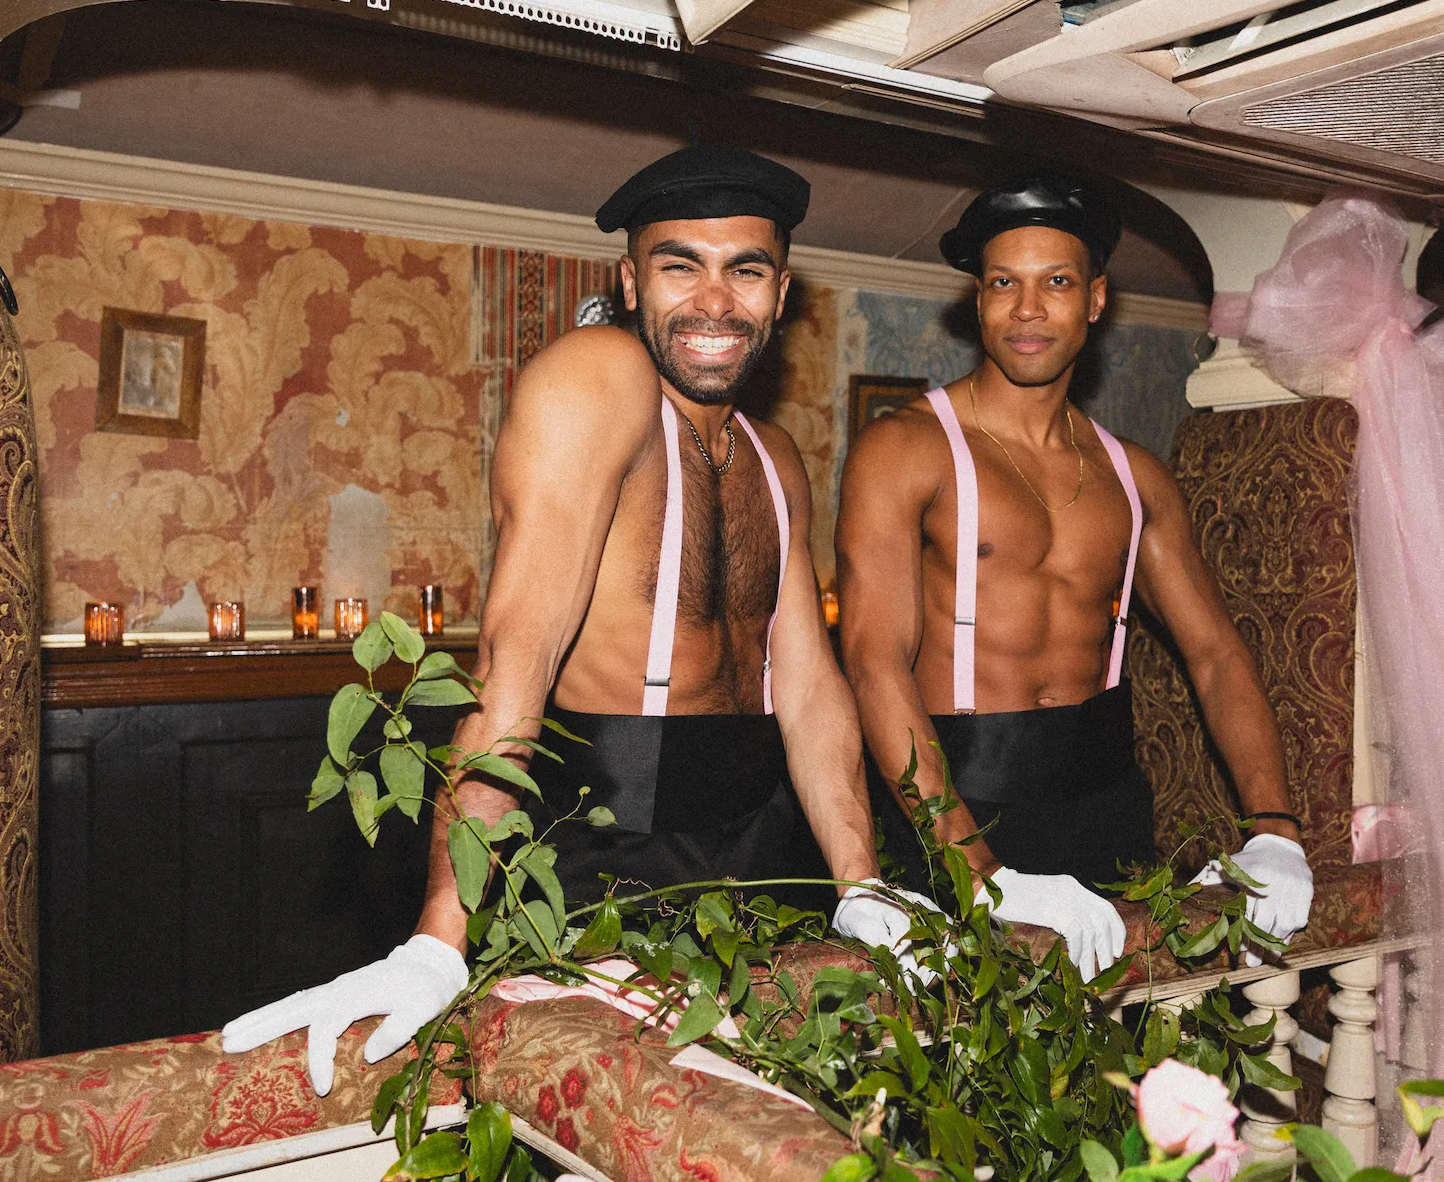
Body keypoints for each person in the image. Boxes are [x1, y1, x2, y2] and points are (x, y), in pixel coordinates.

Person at [224, 145, 927, 1094]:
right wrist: (439, 938)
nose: (715, 301)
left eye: (746, 271)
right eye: (680, 266)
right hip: (602, 860)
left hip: (760, 860)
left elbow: (808, 688)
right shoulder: (599, 380)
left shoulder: (775, 457)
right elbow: (517, 658)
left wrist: (861, 883)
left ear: (781, 293)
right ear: (629, 282)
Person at [835, 173, 1313, 980]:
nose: (1027, 310)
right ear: (978, 301)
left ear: (1095, 300)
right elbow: (873, 662)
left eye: (1055, 283)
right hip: (955, 808)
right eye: (1003, 284)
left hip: (1106, 808)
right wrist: (977, 872)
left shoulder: (1136, 476)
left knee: (1117, 1044)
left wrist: (1275, 828)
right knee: (962, 1047)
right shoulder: (905, 450)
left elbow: (1217, 655)